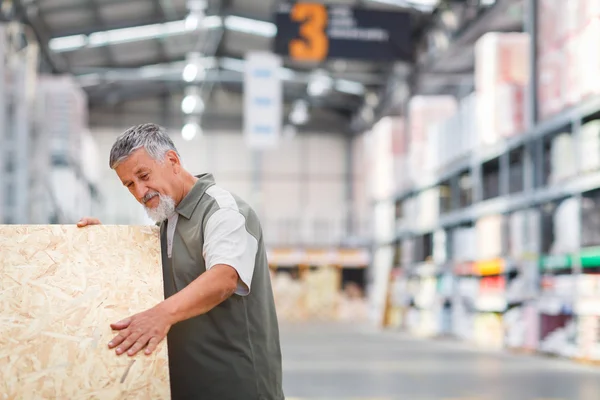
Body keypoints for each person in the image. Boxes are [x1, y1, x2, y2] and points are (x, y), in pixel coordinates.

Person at [77, 123, 284, 400]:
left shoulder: (223, 211)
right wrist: (103, 241)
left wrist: (160, 315)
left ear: (172, 161)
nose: (140, 192)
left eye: (143, 175)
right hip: (187, 385)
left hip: (236, 385)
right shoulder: (167, 219)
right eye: (129, 184)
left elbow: (224, 278)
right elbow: (141, 272)